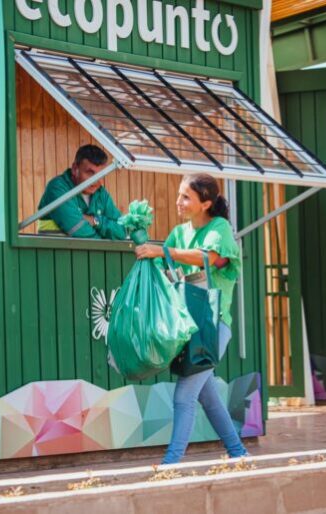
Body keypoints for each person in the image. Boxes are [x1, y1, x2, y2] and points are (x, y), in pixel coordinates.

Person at [135, 173, 248, 464]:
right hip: (187, 328)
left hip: (212, 327)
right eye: (179, 194)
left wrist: (163, 251)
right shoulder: (179, 232)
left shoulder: (220, 228)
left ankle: (171, 464)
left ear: (206, 203)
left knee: (184, 396)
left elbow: (208, 258)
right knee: (208, 397)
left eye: (186, 197)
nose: (178, 201)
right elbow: (163, 267)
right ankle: (239, 453)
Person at [36, 145, 126, 240]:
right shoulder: (57, 187)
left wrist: (94, 220)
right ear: (75, 169)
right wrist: (105, 240)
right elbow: (79, 231)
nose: (96, 181)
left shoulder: (101, 194)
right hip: (53, 249)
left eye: (100, 174)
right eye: (90, 173)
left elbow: (122, 232)